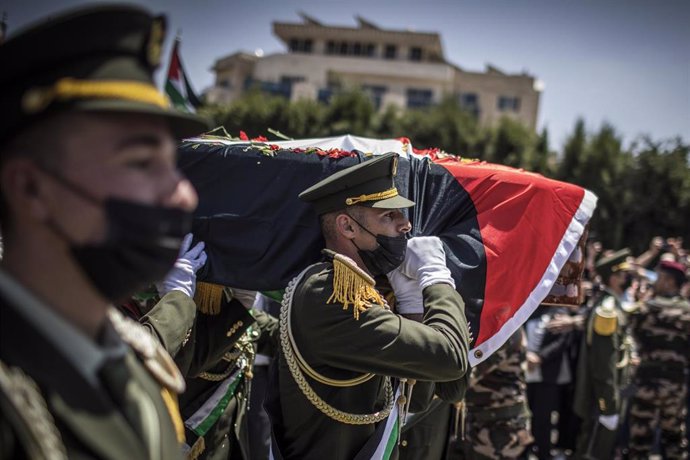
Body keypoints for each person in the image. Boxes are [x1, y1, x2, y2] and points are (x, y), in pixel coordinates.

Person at [0, 5, 209, 458]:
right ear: (31, 188)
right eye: (140, 162)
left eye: (172, 164)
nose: (184, 196)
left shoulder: (131, 361)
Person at [267, 153, 470, 459]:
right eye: (388, 216)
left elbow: (417, 396)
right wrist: (436, 277)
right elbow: (450, 357)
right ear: (347, 227)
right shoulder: (330, 293)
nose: (406, 225)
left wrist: (413, 302)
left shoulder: (366, 290)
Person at [572, 249, 635, 460]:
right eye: (624, 274)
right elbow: (602, 364)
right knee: (593, 451)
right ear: (614, 277)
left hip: (607, 395)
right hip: (602, 398)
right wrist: (608, 405)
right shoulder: (606, 311)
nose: (628, 279)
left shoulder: (612, 305)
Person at [628, 260, 690, 459]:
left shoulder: (646, 309)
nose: (655, 281)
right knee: (674, 439)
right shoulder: (687, 311)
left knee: (640, 440)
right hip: (676, 385)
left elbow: (631, 332)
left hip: (649, 383)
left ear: (669, 281)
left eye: (659, 277)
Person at [460, 329, 533, 460]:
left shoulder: (505, 330)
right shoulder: (509, 324)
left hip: (499, 426)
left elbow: (467, 377)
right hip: (493, 420)